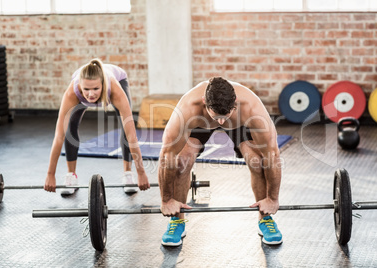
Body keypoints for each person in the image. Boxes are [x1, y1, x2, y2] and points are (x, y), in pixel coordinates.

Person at [158, 77, 283, 246]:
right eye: (217, 117)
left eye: (226, 116)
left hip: (239, 123)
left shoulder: (252, 108)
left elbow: (273, 155)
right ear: (204, 102)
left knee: (259, 163)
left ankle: (265, 219)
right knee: (181, 163)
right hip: (199, 123)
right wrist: (166, 200)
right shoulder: (187, 109)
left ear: (235, 102)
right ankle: (177, 221)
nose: (221, 122)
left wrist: (273, 199)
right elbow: (167, 155)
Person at [44, 58, 150, 194]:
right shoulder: (72, 93)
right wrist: (50, 174)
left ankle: (128, 173)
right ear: (80, 87)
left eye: (95, 88)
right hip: (82, 89)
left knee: (126, 128)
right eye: (86, 89)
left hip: (118, 80)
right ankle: (71, 176)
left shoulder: (115, 90)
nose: (91, 94)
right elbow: (59, 136)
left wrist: (141, 173)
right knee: (70, 127)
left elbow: (132, 136)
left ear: (103, 85)